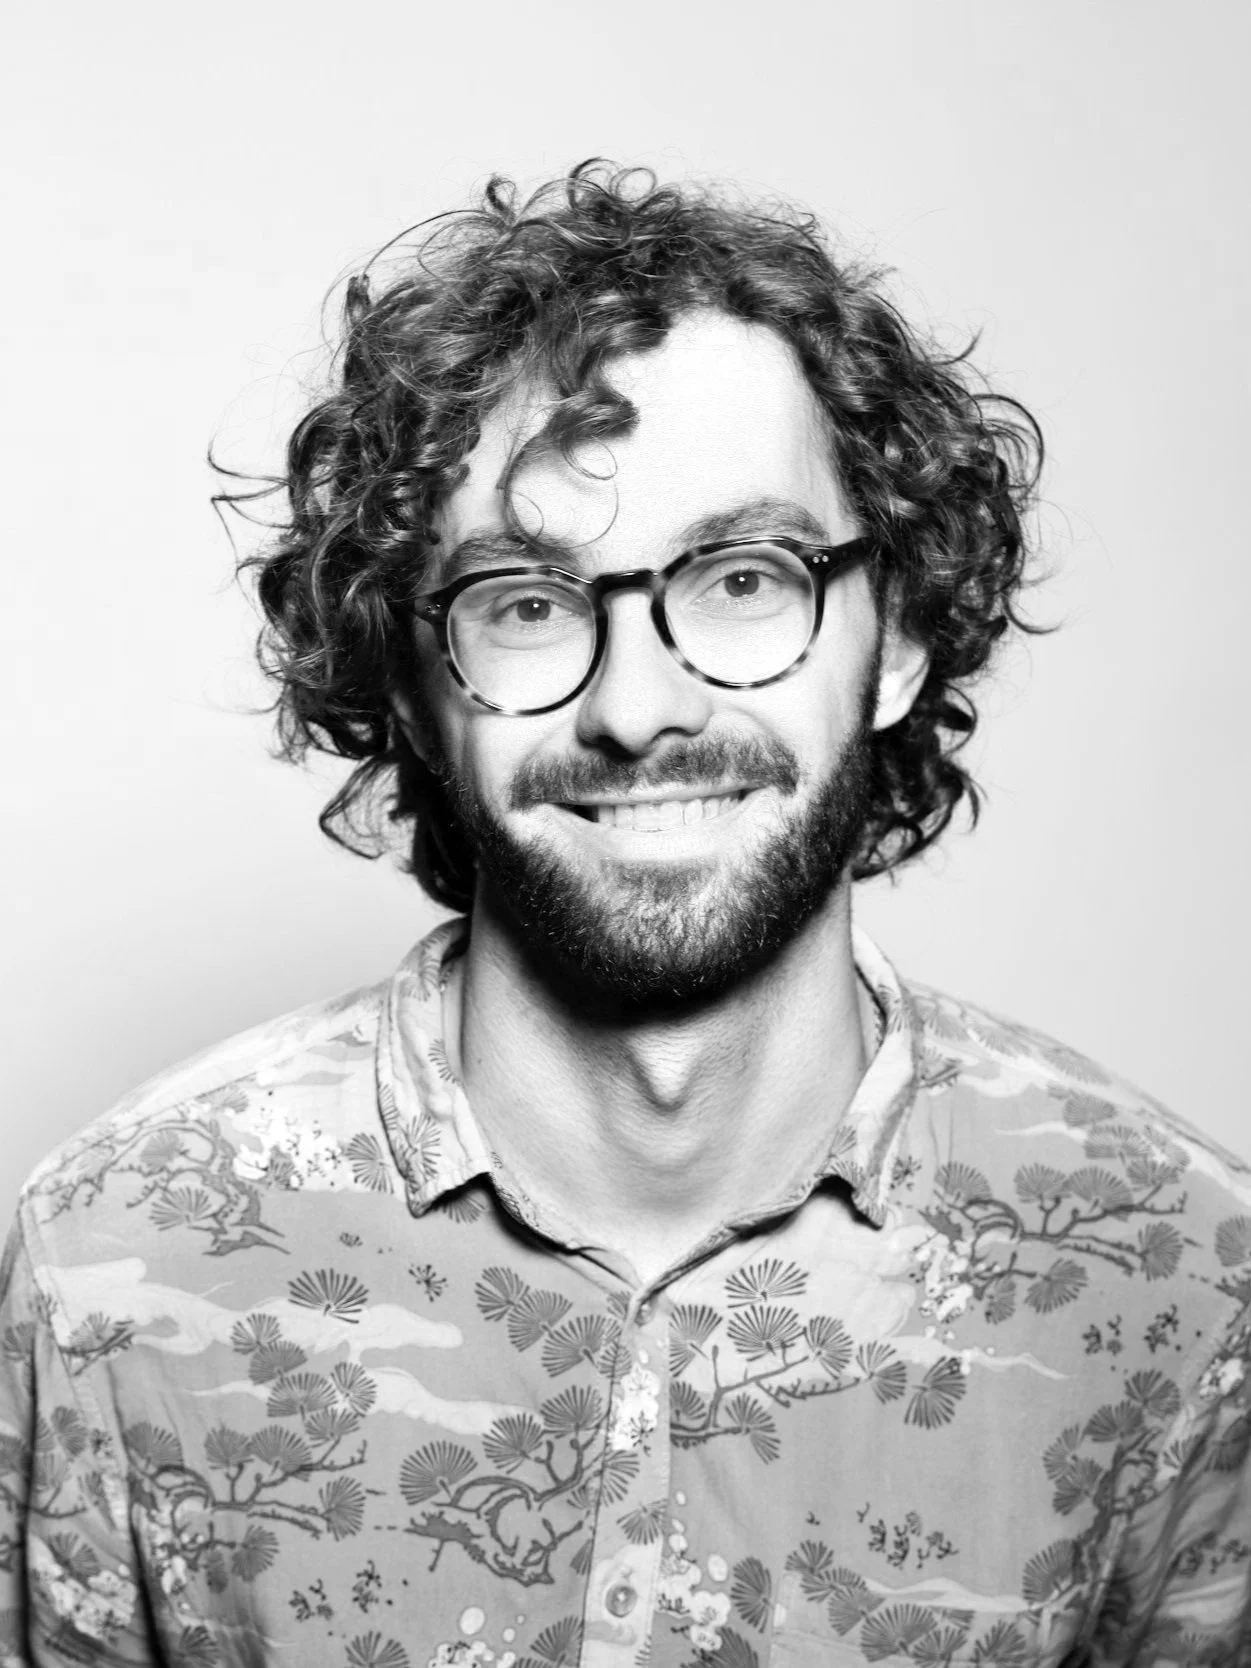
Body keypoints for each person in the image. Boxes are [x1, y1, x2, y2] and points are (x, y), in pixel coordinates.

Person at [2, 161, 1247, 1668]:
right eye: (525, 603)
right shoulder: (116, 1261)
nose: (639, 707)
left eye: (743, 577)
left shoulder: (1179, 1278)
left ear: (900, 632)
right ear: (408, 683)